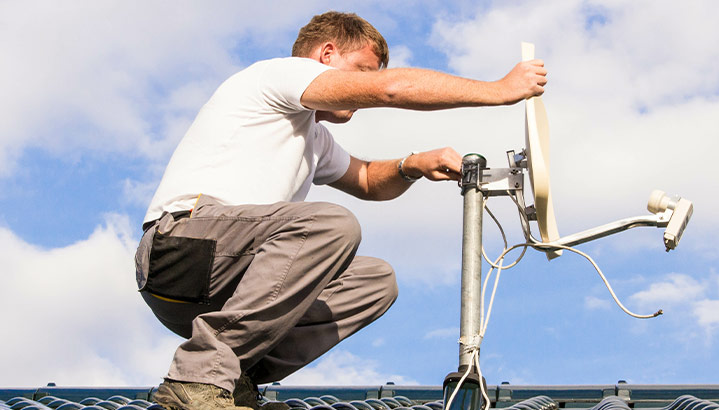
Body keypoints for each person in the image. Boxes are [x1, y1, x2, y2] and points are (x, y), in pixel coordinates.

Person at [133, 10, 546, 410]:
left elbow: (366, 179)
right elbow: (391, 89)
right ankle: (197, 375)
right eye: (364, 70)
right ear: (326, 55)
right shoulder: (278, 75)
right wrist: (499, 90)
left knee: (375, 280)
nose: (367, 88)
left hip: (226, 283)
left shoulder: (314, 137)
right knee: (330, 224)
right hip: (181, 249)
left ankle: (234, 378)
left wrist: (413, 164)